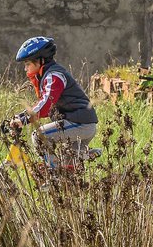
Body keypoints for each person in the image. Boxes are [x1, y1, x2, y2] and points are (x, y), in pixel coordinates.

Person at [7, 36, 99, 169]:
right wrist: (21, 116)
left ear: (40, 60)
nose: (25, 69)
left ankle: (53, 175)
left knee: (39, 137)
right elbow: (42, 102)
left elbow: (46, 104)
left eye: (27, 64)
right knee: (70, 169)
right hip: (82, 125)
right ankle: (83, 156)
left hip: (80, 124)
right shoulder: (48, 74)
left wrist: (25, 119)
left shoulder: (54, 76)